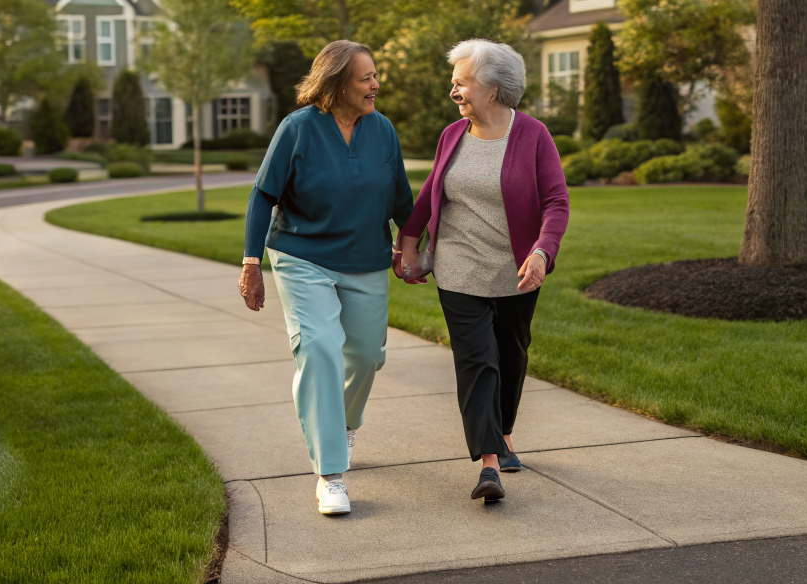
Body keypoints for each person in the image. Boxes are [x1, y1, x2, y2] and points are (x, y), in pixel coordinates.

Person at [238, 40, 413, 516]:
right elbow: (262, 196)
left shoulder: (383, 131)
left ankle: (345, 422)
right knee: (317, 348)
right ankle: (330, 474)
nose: (376, 84)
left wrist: (413, 243)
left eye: (375, 75)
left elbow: (401, 199)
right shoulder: (297, 129)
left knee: (365, 356)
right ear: (336, 83)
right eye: (366, 77)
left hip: (366, 258)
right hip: (302, 255)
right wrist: (252, 263)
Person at [396, 38, 569, 503]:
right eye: (453, 82)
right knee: (477, 361)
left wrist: (541, 253)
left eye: (462, 82)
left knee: (512, 354)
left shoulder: (532, 134)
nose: (454, 91)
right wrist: (409, 245)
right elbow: (432, 192)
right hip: (459, 267)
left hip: (516, 270)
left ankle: (504, 431)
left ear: (492, 89)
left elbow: (556, 202)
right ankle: (489, 460)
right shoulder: (452, 135)